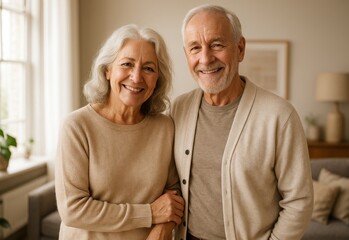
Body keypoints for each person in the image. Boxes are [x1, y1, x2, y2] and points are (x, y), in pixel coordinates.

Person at [170, 4, 313, 240]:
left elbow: (299, 201)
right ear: (187, 56)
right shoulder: (178, 109)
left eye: (217, 44)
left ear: (240, 49)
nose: (205, 59)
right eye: (195, 48)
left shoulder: (280, 115)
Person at [55, 24, 184, 240]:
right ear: (107, 70)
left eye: (149, 68)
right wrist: (149, 214)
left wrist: (163, 229)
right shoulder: (77, 126)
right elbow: (73, 210)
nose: (136, 77)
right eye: (127, 64)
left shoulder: (165, 127)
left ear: (157, 79)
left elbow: (174, 194)